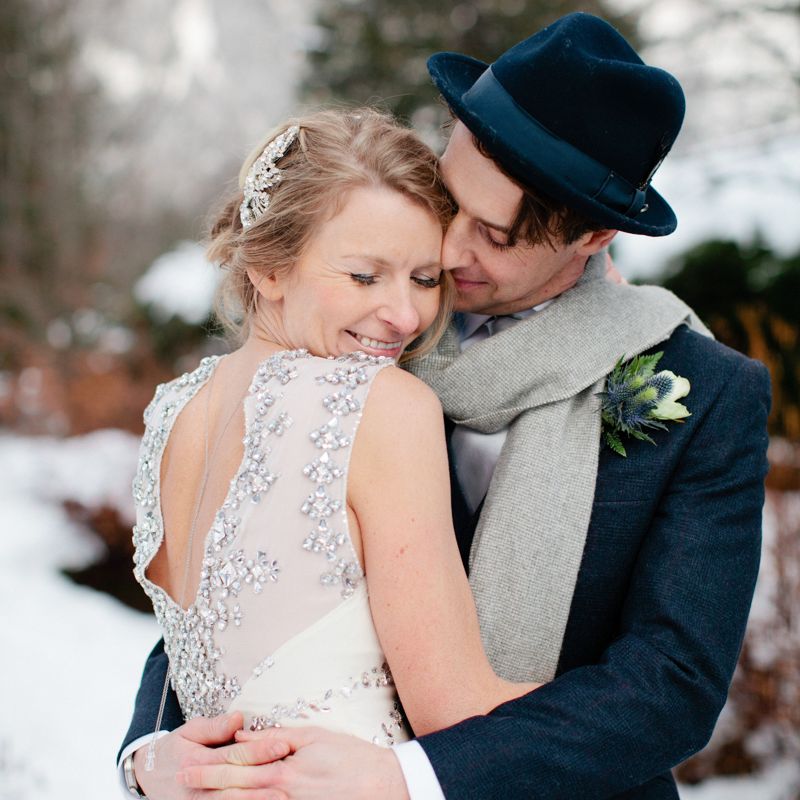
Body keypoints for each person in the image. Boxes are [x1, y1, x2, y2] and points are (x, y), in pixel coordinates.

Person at [119, 13, 771, 800]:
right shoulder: (361, 345)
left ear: (594, 237)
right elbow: (239, 591)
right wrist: (150, 753)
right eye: (449, 202)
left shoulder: (704, 393)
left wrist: (413, 777)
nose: (449, 250)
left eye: (494, 236)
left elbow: (671, 687)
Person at [119, 106, 545, 799]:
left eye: (424, 278)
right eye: (365, 277)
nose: (405, 317)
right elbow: (459, 714)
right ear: (268, 267)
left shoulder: (173, 410)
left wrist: (141, 762)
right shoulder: (382, 406)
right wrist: (638, 703)